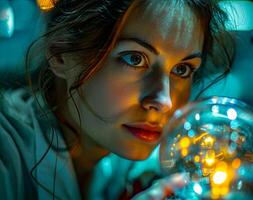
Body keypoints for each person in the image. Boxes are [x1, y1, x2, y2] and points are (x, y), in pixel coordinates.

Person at [0, 0, 233, 199]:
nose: (165, 102)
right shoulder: (6, 157)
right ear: (61, 53)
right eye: (134, 58)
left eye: (182, 69)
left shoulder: (133, 164)